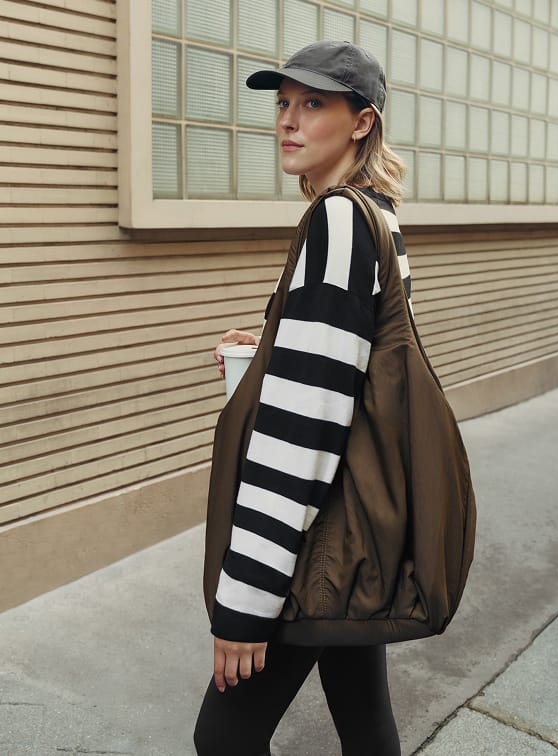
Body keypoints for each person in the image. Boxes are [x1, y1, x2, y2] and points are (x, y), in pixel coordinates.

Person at [194, 40, 413, 756]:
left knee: (223, 738)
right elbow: (355, 361)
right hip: (354, 522)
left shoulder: (338, 223)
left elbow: (305, 428)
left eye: (313, 103)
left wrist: (247, 600)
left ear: (361, 121)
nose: (288, 120)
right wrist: (273, 343)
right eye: (284, 103)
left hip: (315, 536)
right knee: (364, 719)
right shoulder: (376, 213)